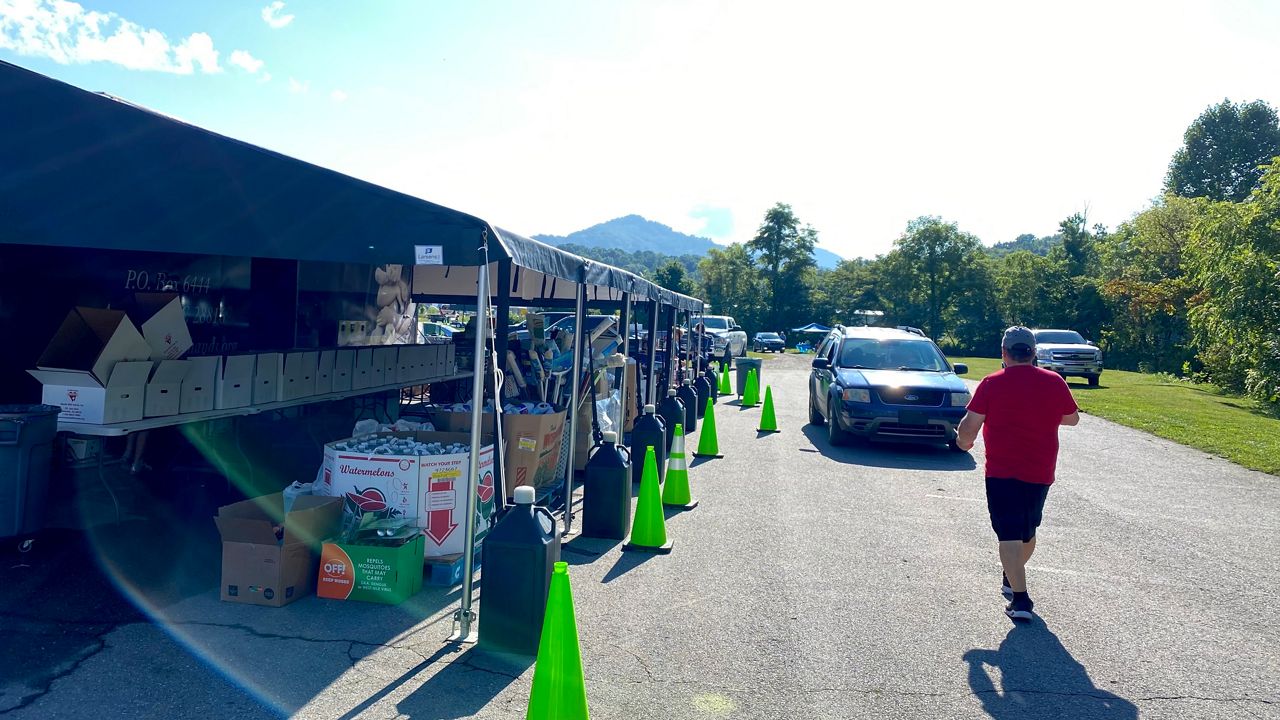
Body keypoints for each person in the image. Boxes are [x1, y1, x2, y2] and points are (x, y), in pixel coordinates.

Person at [955, 326, 1079, 621]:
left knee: (1009, 533)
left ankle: (1021, 601)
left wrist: (963, 443)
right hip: (1040, 469)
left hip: (1002, 470)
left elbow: (969, 426)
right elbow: (1072, 419)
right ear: (1034, 352)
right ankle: (1012, 580)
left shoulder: (992, 383)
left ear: (1004, 353)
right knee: (1026, 532)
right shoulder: (1054, 381)